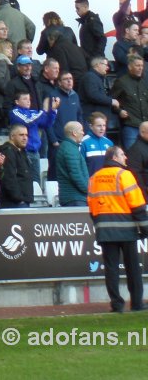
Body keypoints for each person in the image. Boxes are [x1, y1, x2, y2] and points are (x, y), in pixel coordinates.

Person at [88, 145, 148, 313]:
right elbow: (137, 205)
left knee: (111, 269)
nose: (125, 158)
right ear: (114, 157)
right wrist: (145, 229)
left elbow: (92, 207)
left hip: (105, 230)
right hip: (127, 229)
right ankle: (136, 303)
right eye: (122, 155)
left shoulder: (94, 178)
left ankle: (116, 304)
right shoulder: (124, 175)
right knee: (133, 268)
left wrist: (100, 223)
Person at [113, 55, 148, 151]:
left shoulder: (145, 82)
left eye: (141, 65)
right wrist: (119, 111)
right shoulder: (121, 82)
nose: (140, 68)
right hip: (131, 125)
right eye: (137, 65)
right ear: (130, 66)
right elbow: (112, 101)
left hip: (146, 125)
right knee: (132, 156)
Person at [0, 124, 33, 208]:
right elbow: (9, 179)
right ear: (12, 136)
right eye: (21, 135)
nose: (25, 138)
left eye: (26, 135)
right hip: (13, 203)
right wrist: (19, 198)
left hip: (22, 202)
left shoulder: (21, 152)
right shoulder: (7, 152)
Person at [55, 121, 88, 207]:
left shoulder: (69, 147)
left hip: (74, 198)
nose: (83, 133)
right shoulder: (70, 149)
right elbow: (76, 175)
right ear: (74, 133)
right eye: (81, 130)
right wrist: (88, 189)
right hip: (75, 199)